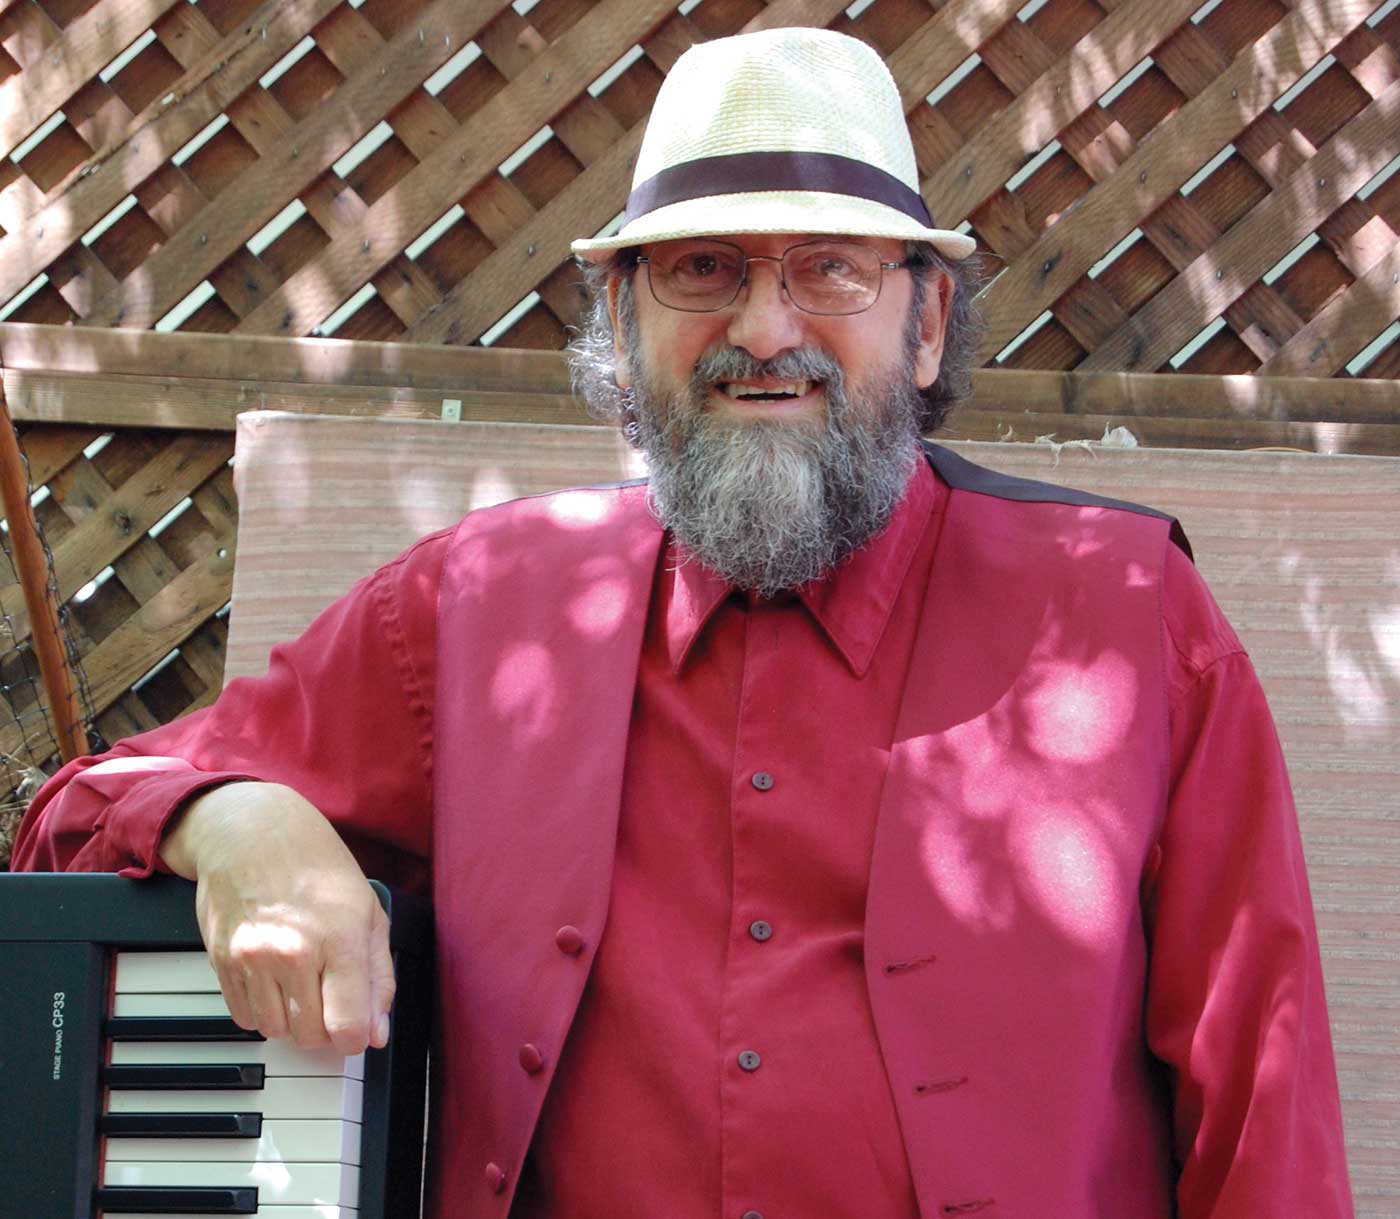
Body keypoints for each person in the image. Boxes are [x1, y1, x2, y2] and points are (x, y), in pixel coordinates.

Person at [14, 25, 1352, 1219]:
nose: (763, 330)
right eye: (702, 270)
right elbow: (81, 810)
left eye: (829, 270)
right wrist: (241, 822)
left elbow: (1264, 1102)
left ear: (930, 320)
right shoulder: (480, 614)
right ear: (619, 318)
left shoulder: (1125, 616)